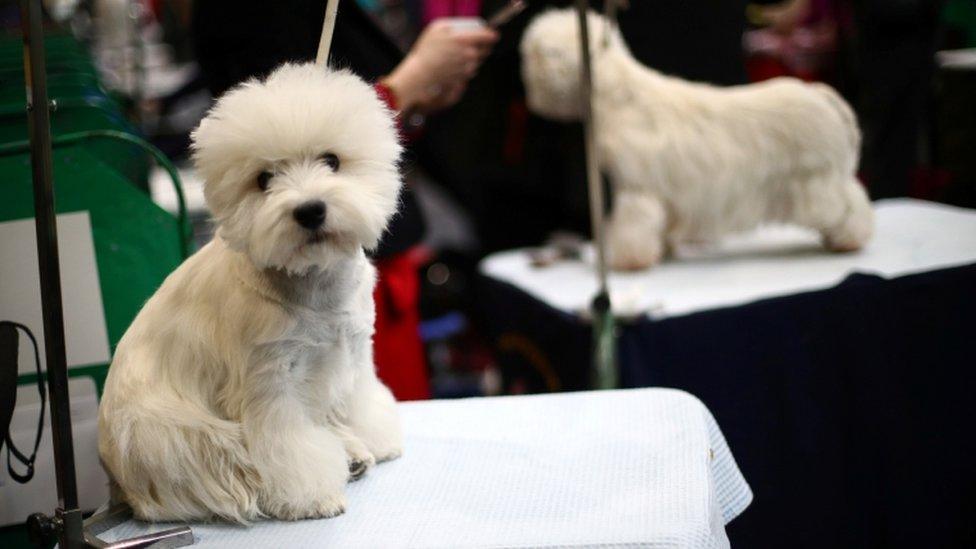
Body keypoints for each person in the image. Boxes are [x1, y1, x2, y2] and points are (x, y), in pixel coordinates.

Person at [192, 1, 498, 400]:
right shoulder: (255, 14)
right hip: (305, 283)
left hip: (366, 259)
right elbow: (261, 130)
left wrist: (416, 101)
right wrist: (408, 83)